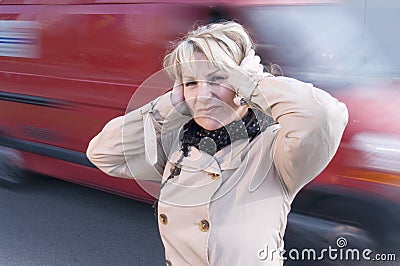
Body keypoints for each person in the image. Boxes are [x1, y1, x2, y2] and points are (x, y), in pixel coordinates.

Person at [86, 21, 348, 265]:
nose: (203, 95)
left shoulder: (274, 147)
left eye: (218, 78)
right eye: (191, 83)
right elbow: (103, 153)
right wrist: (166, 106)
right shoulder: (179, 146)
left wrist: (253, 83)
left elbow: (324, 116)